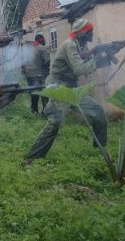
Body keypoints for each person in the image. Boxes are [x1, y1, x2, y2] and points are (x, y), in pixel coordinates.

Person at [23, 18, 107, 163]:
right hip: (60, 88)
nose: (91, 34)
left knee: (98, 112)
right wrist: (97, 62)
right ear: (83, 33)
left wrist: (100, 55)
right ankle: (31, 158)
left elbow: (82, 60)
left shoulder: (80, 45)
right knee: (54, 123)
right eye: (90, 31)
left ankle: (99, 150)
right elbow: (79, 68)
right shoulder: (69, 45)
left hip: (72, 89)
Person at [21, 33, 50, 114]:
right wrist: (45, 73)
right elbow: (47, 61)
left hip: (29, 75)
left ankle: (34, 111)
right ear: (42, 40)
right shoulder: (43, 48)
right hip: (38, 75)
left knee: (34, 93)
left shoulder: (29, 49)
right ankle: (45, 113)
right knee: (43, 93)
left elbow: (22, 63)